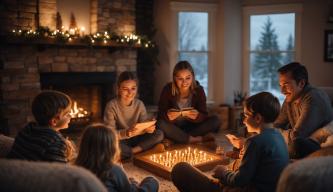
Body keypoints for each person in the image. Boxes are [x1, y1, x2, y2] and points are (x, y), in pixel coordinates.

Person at [171, 92, 289, 192]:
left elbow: (239, 180)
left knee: (180, 169)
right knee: (234, 164)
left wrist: (224, 173)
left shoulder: (255, 142)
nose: (244, 120)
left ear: (258, 118)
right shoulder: (279, 136)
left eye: (246, 115)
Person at [75, 123, 159, 192]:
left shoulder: (75, 168)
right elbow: (129, 190)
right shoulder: (113, 169)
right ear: (112, 148)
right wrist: (132, 182)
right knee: (152, 181)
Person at [274, 62, 333, 158]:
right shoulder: (290, 97)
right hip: (300, 141)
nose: (282, 91)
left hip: (320, 144)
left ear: (301, 83)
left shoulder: (313, 98)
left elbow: (297, 136)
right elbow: (276, 125)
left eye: (286, 84)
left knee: (295, 145)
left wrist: (276, 133)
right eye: (280, 85)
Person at [104, 71, 164, 160]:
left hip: (138, 139)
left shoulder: (139, 104)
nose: (130, 92)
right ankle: (143, 151)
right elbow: (110, 134)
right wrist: (126, 133)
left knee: (159, 134)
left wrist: (149, 128)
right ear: (118, 89)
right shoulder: (111, 106)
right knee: (106, 143)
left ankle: (131, 152)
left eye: (133, 88)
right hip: (121, 141)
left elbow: (143, 125)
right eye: (125, 89)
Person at [157, 60, 221, 144]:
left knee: (215, 120)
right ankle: (195, 139)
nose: (184, 82)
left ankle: (177, 139)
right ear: (174, 78)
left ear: (193, 77)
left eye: (188, 78)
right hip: (174, 127)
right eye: (180, 79)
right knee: (160, 123)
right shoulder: (167, 89)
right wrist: (168, 116)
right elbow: (160, 115)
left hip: (193, 127)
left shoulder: (199, 90)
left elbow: (204, 114)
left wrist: (197, 116)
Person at [7, 90, 75, 163]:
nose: (71, 116)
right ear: (54, 121)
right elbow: (59, 170)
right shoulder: (56, 142)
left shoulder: (27, 129)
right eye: (67, 114)